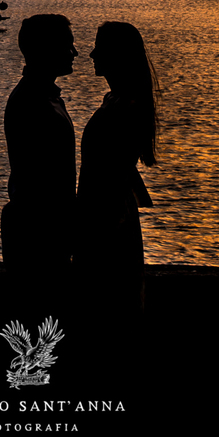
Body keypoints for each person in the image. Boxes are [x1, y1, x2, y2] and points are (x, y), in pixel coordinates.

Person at [75, 21, 159, 317]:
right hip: (108, 215)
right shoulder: (117, 102)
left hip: (107, 221)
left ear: (117, 55)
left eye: (100, 47)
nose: (92, 54)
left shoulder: (126, 108)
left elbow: (108, 177)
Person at [1, 13, 78, 302]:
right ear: (47, 49)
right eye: (67, 45)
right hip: (40, 236)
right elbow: (41, 179)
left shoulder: (41, 97)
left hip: (45, 231)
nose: (74, 52)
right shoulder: (34, 102)